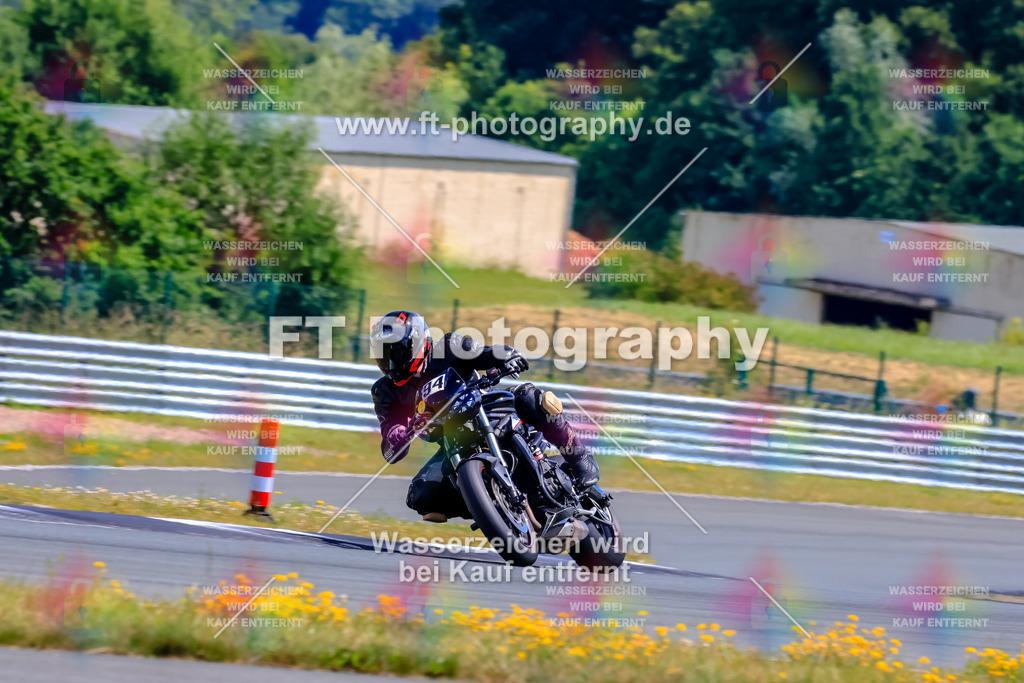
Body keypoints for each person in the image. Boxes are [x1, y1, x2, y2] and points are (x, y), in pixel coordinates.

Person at [369, 310, 600, 523]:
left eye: (396, 351)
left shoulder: (449, 347)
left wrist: (506, 355)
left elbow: (484, 353)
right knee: (420, 494)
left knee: (531, 397)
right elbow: (390, 442)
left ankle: (580, 458)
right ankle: (491, 508)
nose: (391, 360)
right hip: (452, 443)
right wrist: (396, 434)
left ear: (416, 342)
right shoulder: (385, 391)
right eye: (384, 353)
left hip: (486, 409)